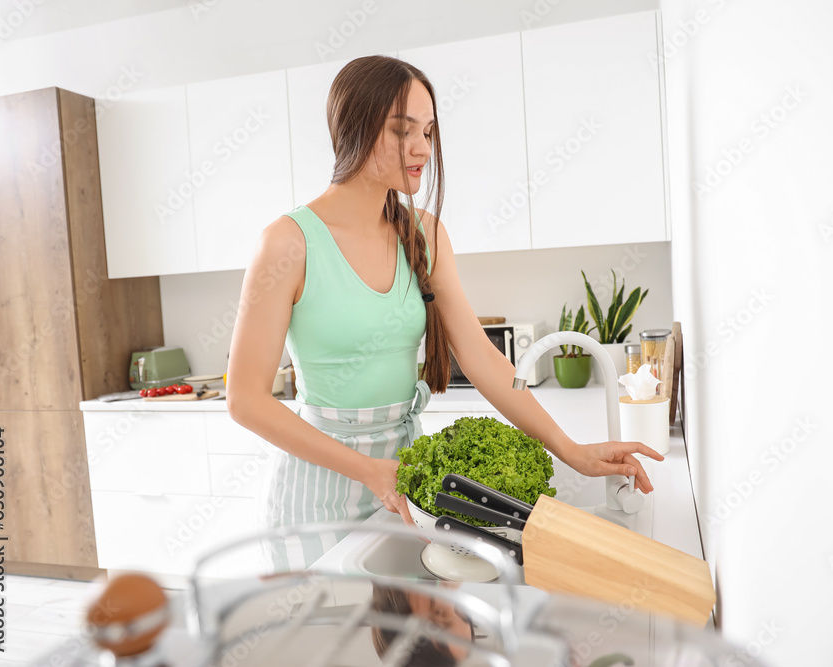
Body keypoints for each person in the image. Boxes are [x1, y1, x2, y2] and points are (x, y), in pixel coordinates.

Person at [226, 55, 664, 570]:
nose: (422, 150)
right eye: (402, 130)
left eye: (429, 132)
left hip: (405, 481)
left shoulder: (425, 233)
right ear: (353, 129)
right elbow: (245, 400)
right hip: (318, 492)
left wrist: (571, 449)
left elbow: (480, 357)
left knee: (401, 644)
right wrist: (368, 469)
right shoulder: (288, 244)